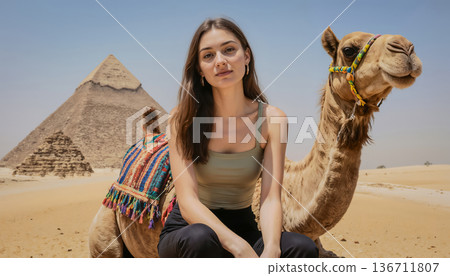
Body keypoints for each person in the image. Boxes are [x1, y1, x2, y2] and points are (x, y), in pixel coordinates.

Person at [157, 17, 318, 258]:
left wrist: (272, 249)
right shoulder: (182, 118)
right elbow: (188, 201)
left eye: (229, 50)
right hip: (189, 229)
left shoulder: (272, 120)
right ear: (200, 69)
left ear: (247, 56)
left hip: (244, 225)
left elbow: (270, 198)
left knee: (302, 247)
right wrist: (239, 248)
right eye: (208, 55)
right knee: (201, 238)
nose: (220, 61)